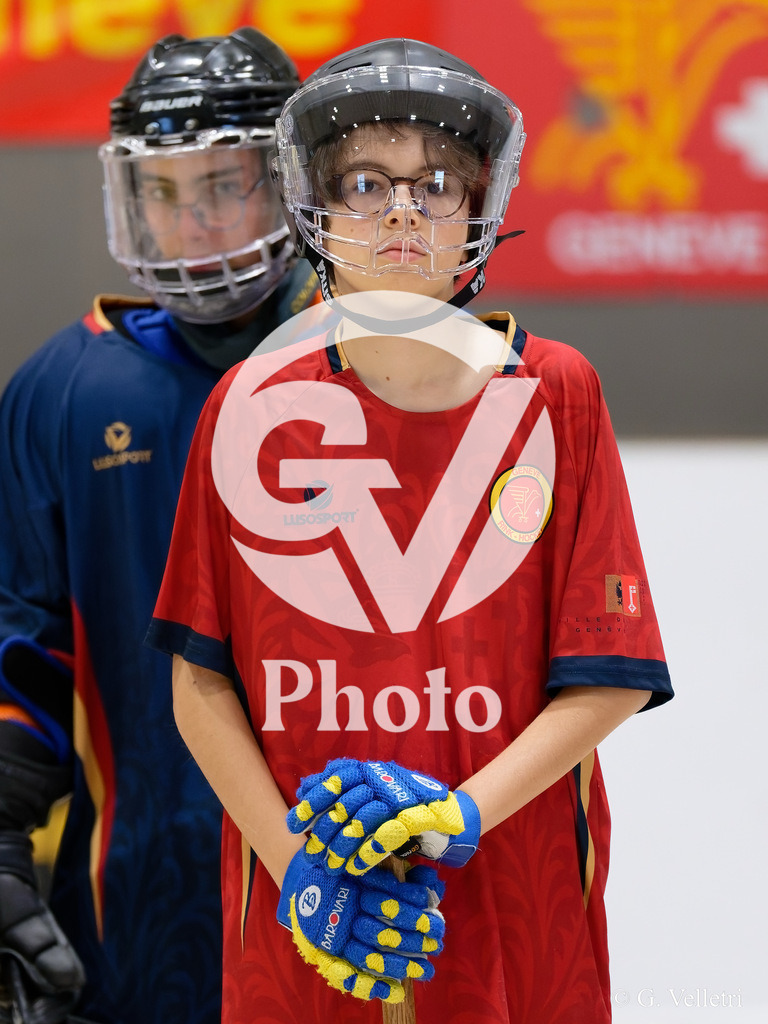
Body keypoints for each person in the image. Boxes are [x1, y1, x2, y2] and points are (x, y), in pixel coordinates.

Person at [147, 37, 674, 1024]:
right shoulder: (244, 406)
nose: (400, 211)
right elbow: (199, 678)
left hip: (514, 904)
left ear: (477, 207)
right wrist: (299, 871)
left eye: (434, 184)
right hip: (304, 918)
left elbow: (607, 671)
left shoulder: (557, 393)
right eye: (364, 182)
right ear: (316, 206)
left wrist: (461, 812)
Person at [0, 27, 318, 1024]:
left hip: (359, 925)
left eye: (227, 183)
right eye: (166, 193)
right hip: (124, 938)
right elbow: (21, 655)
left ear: (291, 180)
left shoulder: (390, 370)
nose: (196, 225)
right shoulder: (61, 389)